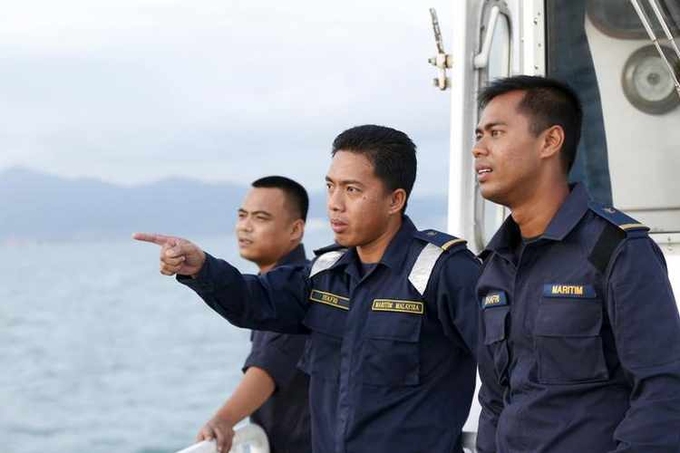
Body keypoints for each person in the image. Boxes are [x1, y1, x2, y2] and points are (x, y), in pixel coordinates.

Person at [134, 125, 480, 453]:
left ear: (395, 200)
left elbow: (503, 371)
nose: (335, 203)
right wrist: (201, 267)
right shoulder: (325, 274)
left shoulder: (444, 272)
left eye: (352, 190)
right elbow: (254, 299)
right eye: (331, 186)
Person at [473, 75, 680, 453]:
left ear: (550, 141)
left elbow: (664, 390)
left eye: (496, 133)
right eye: (478, 135)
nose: (478, 149)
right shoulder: (495, 265)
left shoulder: (616, 250)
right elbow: (494, 400)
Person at [195, 176, 312, 453]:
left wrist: (224, 419)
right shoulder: (271, 287)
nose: (245, 226)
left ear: (295, 230)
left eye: (260, 218)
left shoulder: (299, 288)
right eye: (242, 215)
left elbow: (268, 366)